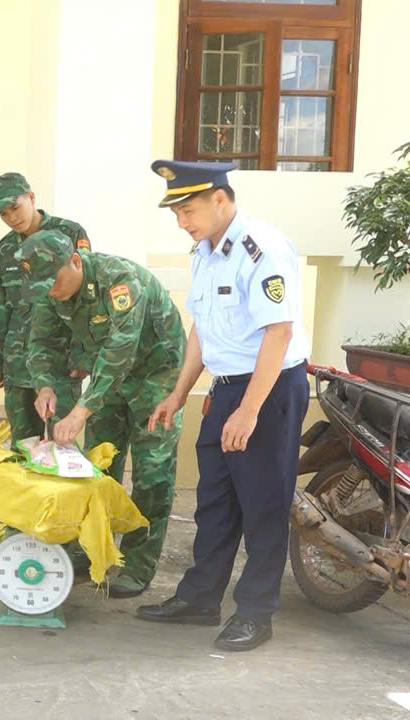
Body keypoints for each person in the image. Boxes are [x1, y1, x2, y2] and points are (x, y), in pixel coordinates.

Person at [137, 160, 311, 652]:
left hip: (268, 388)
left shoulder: (263, 249)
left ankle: (257, 613)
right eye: (176, 213)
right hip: (226, 388)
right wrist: (178, 392)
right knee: (214, 500)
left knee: (262, 504)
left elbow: (278, 332)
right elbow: (203, 327)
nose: (181, 222)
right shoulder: (205, 251)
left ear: (219, 198)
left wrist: (250, 410)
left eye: (187, 210)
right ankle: (199, 599)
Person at [19, 229, 186, 598]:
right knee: (98, 464)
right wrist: (44, 385)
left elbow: (119, 353)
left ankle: (136, 563)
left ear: (76, 262)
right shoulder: (51, 288)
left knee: (152, 472)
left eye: (55, 282)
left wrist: (80, 411)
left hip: (157, 376)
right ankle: (93, 546)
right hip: (109, 379)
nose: (51, 292)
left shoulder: (120, 282)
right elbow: (41, 342)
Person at [0, 171, 91, 446]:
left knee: (61, 441)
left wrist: (81, 353)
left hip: (60, 357)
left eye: (15, 207)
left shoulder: (70, 233)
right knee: (23, 443)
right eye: (4, 214)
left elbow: (86, 295)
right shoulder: (4, 249)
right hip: (18, 358)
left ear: (31, 197)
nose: (12, 217)